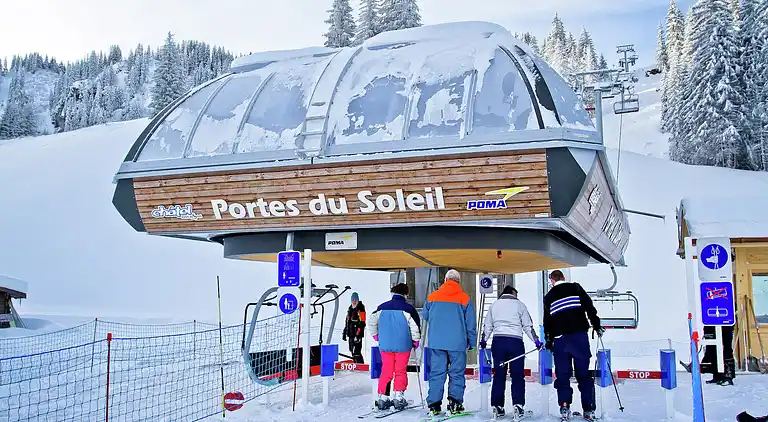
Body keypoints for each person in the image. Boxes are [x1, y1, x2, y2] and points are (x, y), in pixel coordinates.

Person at [543, 270, 604, 421]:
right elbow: (589, 308)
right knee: (583, 374)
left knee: (563, 375)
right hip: (579, 338)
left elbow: (547, 322)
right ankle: (588, 409)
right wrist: (596, 325)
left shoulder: (549, 297)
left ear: (552, 281)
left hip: (560, 340)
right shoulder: (576, 288)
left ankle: (565, 406)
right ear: (563, 278)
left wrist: (549, 340)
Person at [481, 284, 543, 419]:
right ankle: (518, 405)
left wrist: (484, 340)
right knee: (517, 375)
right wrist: (537, 342)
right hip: (515, 343)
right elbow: (528, 326)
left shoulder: (494, 305)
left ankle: (497, 406)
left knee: (499, 375)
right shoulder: (520, 305)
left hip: (498, 342)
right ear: (513, 294)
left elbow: (487, 326)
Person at [423, 269, 477, 416]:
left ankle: (434, 405)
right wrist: (472, 343)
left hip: (437, 343)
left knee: (437, 373)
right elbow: (470, 324)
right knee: (457, 374)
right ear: (458, 282)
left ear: (445, 280)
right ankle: (455, 403)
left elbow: (425, 315)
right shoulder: (464, 299)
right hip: (457, 344)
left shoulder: (432, 297)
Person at [368, 283, 421, 410]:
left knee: (386, 370)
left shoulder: (381, 307)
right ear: (405, 294)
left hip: (385, 345)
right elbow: (415, 327)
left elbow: (371, 322)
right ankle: (398, 397)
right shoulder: (408, 309)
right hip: (403, 345)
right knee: (400, 370)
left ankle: (383, 397)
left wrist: (376, 336)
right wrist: (415, 341)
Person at [342, 292, 366, 363]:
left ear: (358, 300)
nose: (354, 301)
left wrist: (358, 335)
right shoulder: (350, 309)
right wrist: (345, 332)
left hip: (357, 334)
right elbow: (347, 321)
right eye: (353, 300)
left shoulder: (361, 308)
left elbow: (362, 323)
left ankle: (361, 365)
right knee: (351, 350)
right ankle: (356, 364)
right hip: (350, 334)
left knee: (357, 352)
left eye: (355, 300)